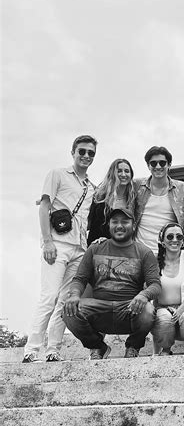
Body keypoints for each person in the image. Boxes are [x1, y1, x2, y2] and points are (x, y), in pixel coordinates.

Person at [22, 135, 97, 363]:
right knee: (49, 296)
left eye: (91, 153)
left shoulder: (91, 187)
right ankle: (31, 349)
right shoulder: (57, 174)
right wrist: (47, 241)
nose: (86, 156)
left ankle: (53, 349)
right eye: (82, 151)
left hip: (80, 249)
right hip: (58, 244)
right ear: (73, 152)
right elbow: (44, 206)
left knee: (65, 301)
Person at [63, 208, 160, 359]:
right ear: (108, 225)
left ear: (134, 225)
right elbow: (79, 279)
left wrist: (144, 295)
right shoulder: (95, 248)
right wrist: (74, 294)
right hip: (99, 308)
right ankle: (97, 346)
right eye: (115, 222)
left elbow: (155, 284)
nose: (119, 226)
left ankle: (133, 346)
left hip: (129, 309)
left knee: (148, 310)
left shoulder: (144, 252)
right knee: (69, 310)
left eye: (125, 222)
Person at [151, 223, 184, 355]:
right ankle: (165, 350)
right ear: (162, 242)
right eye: (170, 237)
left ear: (183, 241)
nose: (175, 240)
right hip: (163, 308)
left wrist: (180, 310)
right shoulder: (155, 260)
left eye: (179, 237)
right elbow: (150, 288)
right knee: (164, 320)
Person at [135, 146, 184, 255]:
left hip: (168, 254)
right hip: (140, 253)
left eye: (162, 163)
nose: (158, 166)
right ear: (148, 166)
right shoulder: (137, 186)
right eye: (153, 163)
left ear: (169, 165)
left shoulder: (181, 188)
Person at [87, 158, 137, 245]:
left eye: (127, 171)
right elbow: (92, 226)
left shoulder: (133, 199)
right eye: (119, 171)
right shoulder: (100, 198)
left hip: (122, 248)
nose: (123, 174)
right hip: (99, 246)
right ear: (113, 173)